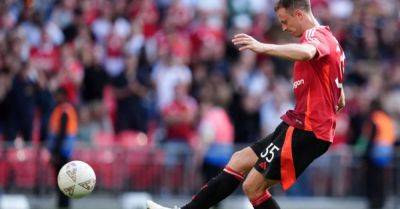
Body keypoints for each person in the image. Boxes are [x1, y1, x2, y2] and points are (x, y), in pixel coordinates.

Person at [147, 0, 346, 209]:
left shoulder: (314, 36)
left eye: (285, 21)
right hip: (300, 124)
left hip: (307, 129)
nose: (284, 28)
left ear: (299, 14)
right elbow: (340, 98)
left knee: (253, 187)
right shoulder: (333, 43)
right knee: (239, 159)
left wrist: (261, 47)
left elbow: (307, 52)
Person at [47, 88, 79, 209]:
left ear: (64, 96)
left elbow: (62, 133)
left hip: (62, 153)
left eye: (58, 95)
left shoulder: (64, 111)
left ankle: (63, 205)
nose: (56, 98)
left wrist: (55, 153)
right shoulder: (63, 110)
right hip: (63, 152)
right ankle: (63, 205)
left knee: (63, 182)